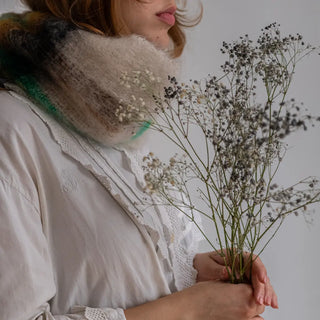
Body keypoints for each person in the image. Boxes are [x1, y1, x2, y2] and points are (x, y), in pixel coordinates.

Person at [0, 1, 278, 319]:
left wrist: (192, 270)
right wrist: (193, 309)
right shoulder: (11, 126)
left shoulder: (113, 115)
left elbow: (93, 267)